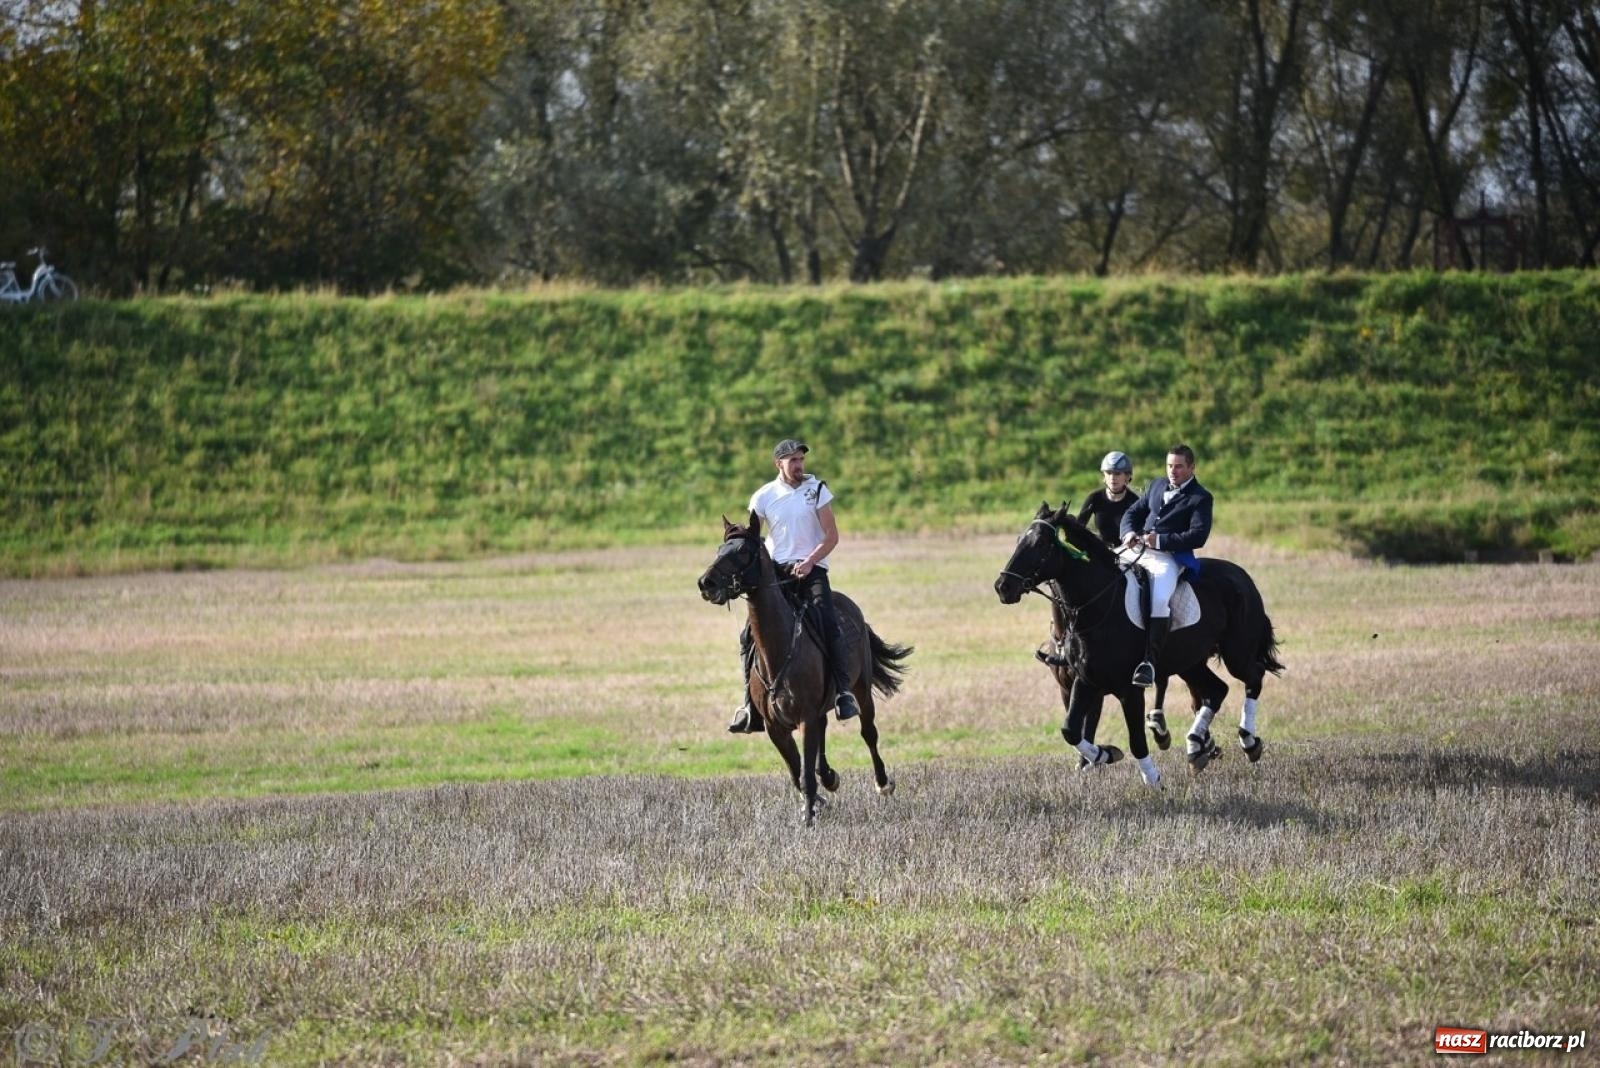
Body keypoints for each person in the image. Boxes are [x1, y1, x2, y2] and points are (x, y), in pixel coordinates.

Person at [726, 438, 862, 734]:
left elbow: (831, 536)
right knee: (747, 635)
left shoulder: (817, 491)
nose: (799, 466)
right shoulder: (763, 497)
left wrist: (811, 561)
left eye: (801, 460)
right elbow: (753, 539)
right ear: (779, 464)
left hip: (812, 573)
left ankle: (843, 693)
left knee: (827, 623)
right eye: (793, 461)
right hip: (777, 576)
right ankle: (750, 705)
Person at [1118, 443, 1213, 688]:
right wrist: (1128, 533)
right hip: (1137, 549)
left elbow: (1198, 535)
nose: (1173, 471)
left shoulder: (1201, 497)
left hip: (1169, 558)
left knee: (1160, 599)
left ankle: (1149, 662)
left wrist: (1160, 540)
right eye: (1170, 465)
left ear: (1192, 467)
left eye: (1179, 466)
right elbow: (1131, 514)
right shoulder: (1156, 484)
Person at [1077, 451, 1138, 546]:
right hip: (1100, 553)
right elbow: (1078, 527)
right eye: (1109, 473)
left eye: (1117, 473)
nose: (1112, 477)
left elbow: (1141, 533)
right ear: (1104, 476)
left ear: (1127, 476)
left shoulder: (1134, 501)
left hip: (1128, 554)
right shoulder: (1094, 498)